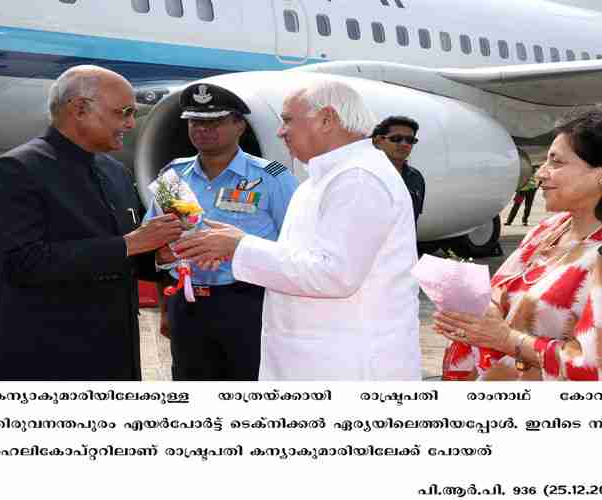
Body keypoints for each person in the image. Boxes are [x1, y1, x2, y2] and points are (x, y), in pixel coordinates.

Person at [174, 80, 422, 380]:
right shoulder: (324, 179)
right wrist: (233, 245)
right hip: (316, 358)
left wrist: (239, 247)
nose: (281, 131)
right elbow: (298, 258)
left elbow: (335, 274)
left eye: (288, 120)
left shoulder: (358, 179)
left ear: (327, 119)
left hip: (347, 365)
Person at [433, 109, 602, 381]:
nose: (541, 174)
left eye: (556, 163)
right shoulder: (549, 230)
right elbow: (505, 300)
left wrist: (504, 339)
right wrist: (473, 316)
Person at [0, 65, 183, 381]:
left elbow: (124, 256)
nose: (129, 123)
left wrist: (158, 258)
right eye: (123, 112)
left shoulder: (114, 172)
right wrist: (133, 243)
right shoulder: (15, 170)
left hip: (112, 354)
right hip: (39, 357)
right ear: (80, 109)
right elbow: (21, 262)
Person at [147, 82, 298, 381]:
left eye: (214, 121)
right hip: (187, 302)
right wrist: (165, 306)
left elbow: (294, 245)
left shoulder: (271, 178)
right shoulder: (172, 175)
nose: (203, 129)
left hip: (248, 302)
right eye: (195, 121)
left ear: (240, 125)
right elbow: (158, 244)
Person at [372, 116, 426, 226]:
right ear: (378, 141)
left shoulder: (416, 177)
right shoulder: (366, 176)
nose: (404, 144)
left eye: (410, 140)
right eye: (396, 139)